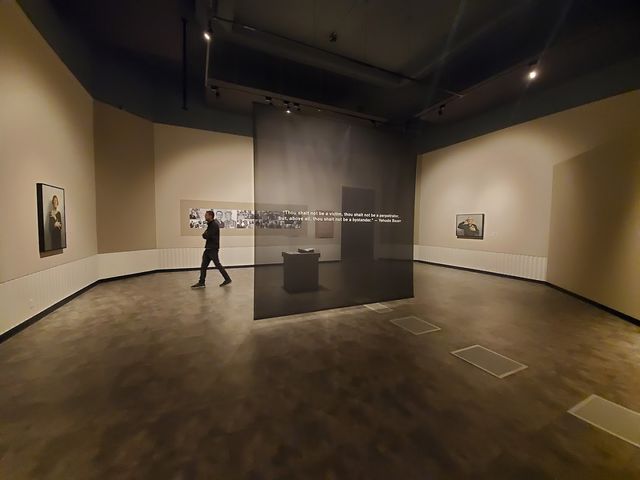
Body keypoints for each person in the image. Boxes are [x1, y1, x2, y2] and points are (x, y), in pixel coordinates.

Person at [191, 210, 232, 288]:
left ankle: (227, 279)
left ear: (210, 216)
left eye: (206, 215)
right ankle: (201, 282)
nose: (205, 216)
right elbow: (204, 235)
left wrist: (205, 234)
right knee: (203, 266)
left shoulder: (213, 225)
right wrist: (205, 234)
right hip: (208, 249)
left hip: (213, 249)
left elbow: (206, 235)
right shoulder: (210, 224)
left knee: (217, 265)